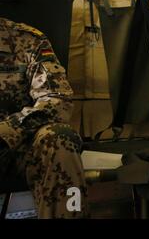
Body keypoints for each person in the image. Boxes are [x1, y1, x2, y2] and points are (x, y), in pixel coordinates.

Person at [0, 17, 88, 218]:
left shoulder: (26, 40)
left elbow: (56, 98)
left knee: (59, 139)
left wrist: (6, 132)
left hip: (15, 144)